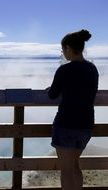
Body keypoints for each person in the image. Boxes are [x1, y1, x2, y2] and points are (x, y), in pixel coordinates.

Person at [47, 29, 99, 190]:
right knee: (75, 166)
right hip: (86, 125)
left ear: (69, 48)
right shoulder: (92, 69)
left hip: (66, 124)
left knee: (66, 171)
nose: (63, 53)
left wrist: (55, 88)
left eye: (63, 50)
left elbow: (52, 95)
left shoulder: (64, 70)